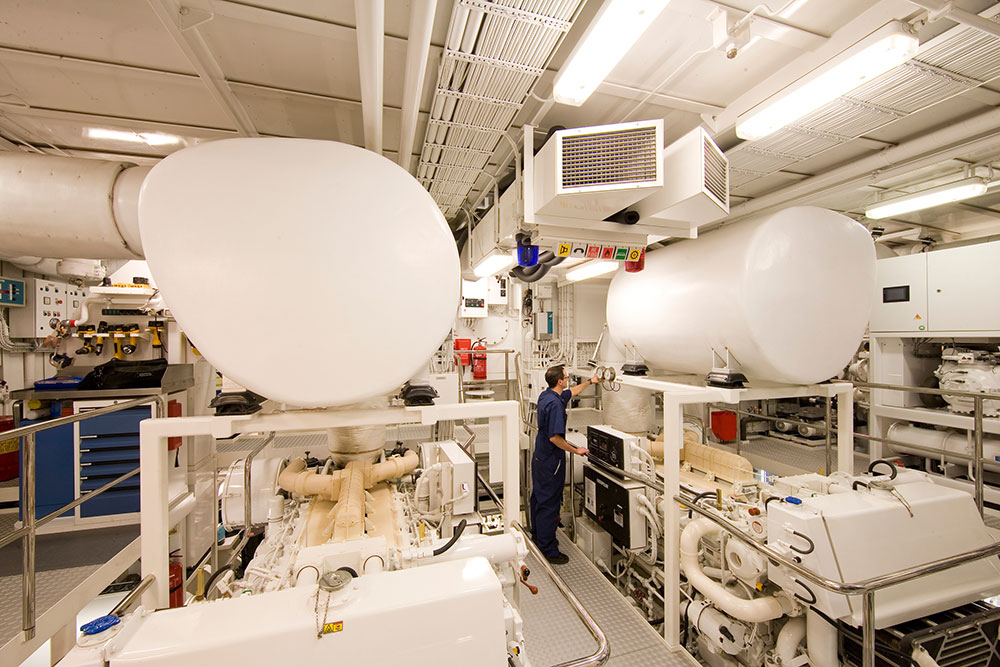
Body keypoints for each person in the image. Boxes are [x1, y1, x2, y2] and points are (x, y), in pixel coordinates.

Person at [530, 364, 598, 564]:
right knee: (549, 503)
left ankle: (537, 536)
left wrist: (590, 382)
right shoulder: (556, 406)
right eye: (567, 377)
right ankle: (548, 549)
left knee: (538, 499)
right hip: (551, 460)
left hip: (539, 456)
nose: (568, 380)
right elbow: (555, 439)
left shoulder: (547, 395)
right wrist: (577, 450)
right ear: (560, 380)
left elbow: (571, 392)